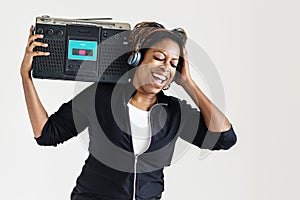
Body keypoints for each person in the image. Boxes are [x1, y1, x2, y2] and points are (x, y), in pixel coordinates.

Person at [20, 21, 237, 200]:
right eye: (159, 58)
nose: (165, 67)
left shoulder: (175, 113)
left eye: (174, 63)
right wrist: (26, 77)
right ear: (138, 57)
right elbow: (46, 134)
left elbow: (224, 138)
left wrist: (188, 83)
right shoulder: (101, 97)